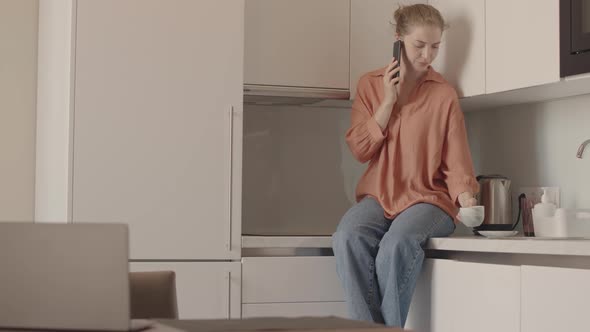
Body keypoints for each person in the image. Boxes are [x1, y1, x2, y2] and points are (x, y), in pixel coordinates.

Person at [332, 4, 479, 328]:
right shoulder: (370, 85)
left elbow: (456, 162)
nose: (428, 55)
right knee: (347, 237)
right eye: (419, 45)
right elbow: (359, 148)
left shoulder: (444, 95)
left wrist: (466, 196)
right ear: (398, 39)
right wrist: (388, 101)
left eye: (435, 46)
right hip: (380, 195)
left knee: (397, 244)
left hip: (429, 198)